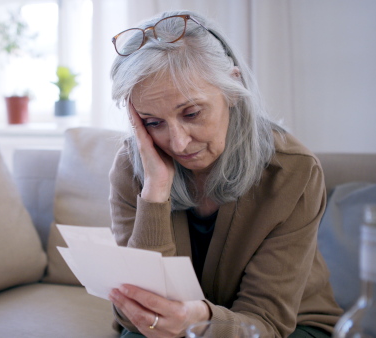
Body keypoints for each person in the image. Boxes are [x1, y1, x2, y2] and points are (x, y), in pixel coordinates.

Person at [107, 10, 343, 338]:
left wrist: (199, 320)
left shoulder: (293, 171)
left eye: (191, 113)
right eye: (152, 122)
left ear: (232, 86)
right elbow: (137, 313)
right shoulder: (132, 167)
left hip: (289, 327)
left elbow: (267, 322)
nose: (177, 142)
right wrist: (155, 190)